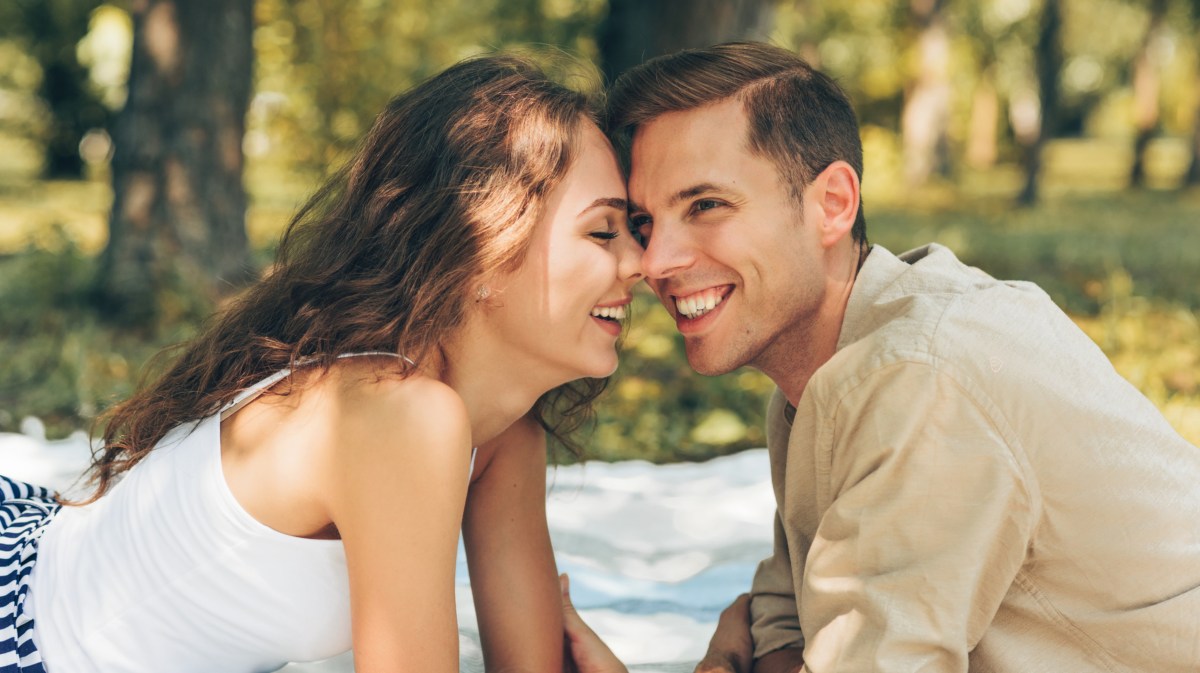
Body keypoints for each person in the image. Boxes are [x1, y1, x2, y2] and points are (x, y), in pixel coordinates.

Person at [0, 53, 643, 673]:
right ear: (481, 249)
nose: (639, 264)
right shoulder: (397, 414)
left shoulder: (503, 436)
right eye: (603, 232)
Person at [574, 41, 1200, 673]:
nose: (653, 262)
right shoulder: (819, 381)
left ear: (833, 205)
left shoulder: (915, 377)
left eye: (706, 206)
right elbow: (785, 622)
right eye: (647, 223)